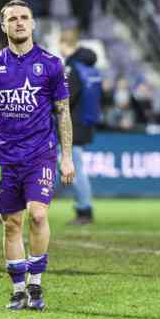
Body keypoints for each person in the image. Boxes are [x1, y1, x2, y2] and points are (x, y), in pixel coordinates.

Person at [0, 0, 75, 310]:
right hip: (4, 155)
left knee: (39, 214)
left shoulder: (52, 64)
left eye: (24, 17)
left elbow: (63, 112)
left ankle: (36, 285)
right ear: (3, 26)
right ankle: (18, 289)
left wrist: (66, 155)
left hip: (40, 154)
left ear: (32, 24)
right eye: (12, 18)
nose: (19, 22)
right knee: (11, 223)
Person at [59, 30, 102, 225]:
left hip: (71, 124)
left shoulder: (72, 66)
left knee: (73, 168)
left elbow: (66, 96)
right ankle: (83, 207)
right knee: (74, 166)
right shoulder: (89, 65)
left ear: (64, 44)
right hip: (85, 122)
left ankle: (84, 210)